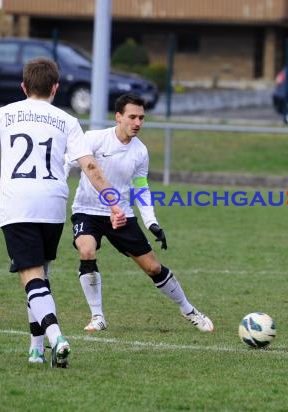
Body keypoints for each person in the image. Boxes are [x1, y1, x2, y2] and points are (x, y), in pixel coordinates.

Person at [0, 57, 126, 368]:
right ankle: (35, 350)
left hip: (19, 204)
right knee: (40, 276)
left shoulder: (5, 113)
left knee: (30, 277)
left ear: (23, 86)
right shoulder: (67, 120)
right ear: (55, 87)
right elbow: (90, 166)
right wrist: (113, 202)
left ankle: (56, 337)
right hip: (53, 205)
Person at [65, 93, 214, 334]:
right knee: (86, 250)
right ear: (118, 117)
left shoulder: (140, 152)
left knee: (153, 268)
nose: (137, 123)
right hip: (87, 211)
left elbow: (141, 188)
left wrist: (151, 222)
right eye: (132, 117)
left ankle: (189, 310)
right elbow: (67, 163)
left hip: (122, 215)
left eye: (141, 118)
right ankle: (97, 316)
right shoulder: (93, 139)